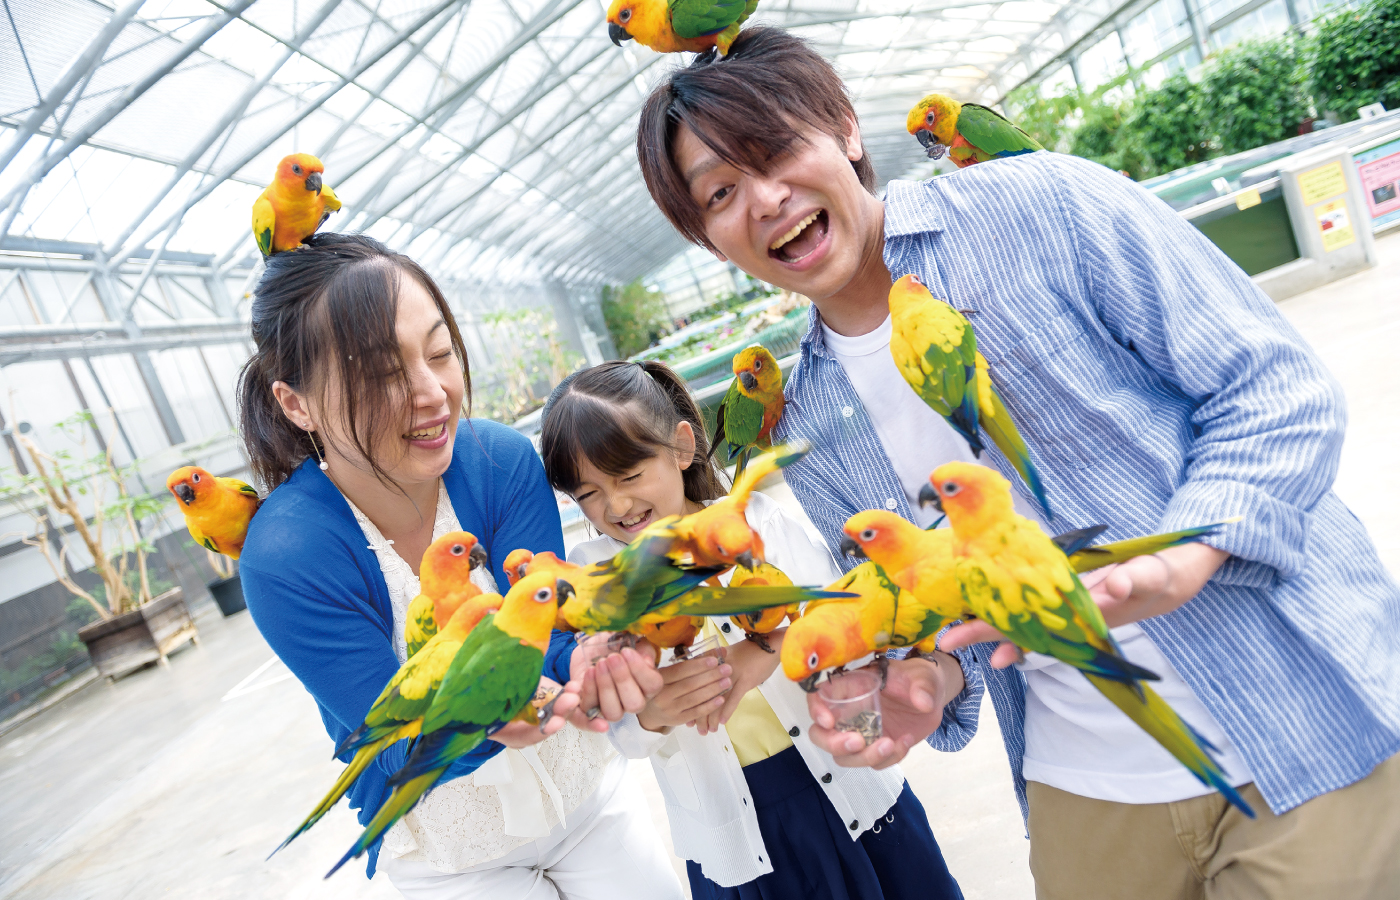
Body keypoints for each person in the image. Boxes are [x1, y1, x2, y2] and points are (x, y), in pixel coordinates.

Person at [632, 26, 1400, 900]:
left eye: (777, 151)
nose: (765, 197)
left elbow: (1274, 385)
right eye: (723, 191)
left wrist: (1192, 552)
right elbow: (917, 609)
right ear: (708, 238)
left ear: (846, 129)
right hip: (1083, 788)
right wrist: (924, 676)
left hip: (1289, 709)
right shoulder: (802, 416)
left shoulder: (1040, 206)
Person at [236, 234, 683, 899]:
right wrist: (478, 725)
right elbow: (387, 745)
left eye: (440, 352)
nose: (432, 391)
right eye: (382, 373)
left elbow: (551, 631)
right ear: (296, 404)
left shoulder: (499, 460)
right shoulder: (288, 555)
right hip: (450, 854)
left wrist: (584, 657)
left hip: (587, 799)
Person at [539, 359, 964, 900]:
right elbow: (612, 725)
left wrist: (769, 648)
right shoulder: (593, 577)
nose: (616, 505)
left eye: (628, 476)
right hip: (734, 837)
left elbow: (853, 617)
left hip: (855, 788)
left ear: (681, 447)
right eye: (587, 494)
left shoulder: (754, 520)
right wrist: (650, 715)